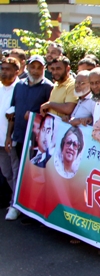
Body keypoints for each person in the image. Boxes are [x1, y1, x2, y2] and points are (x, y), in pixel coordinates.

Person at [0, 57, 20, 220]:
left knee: (16, 172)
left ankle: (16, 204)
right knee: (6, 173)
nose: (4, 71)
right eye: (3, 68)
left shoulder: (19, 88)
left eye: (8, 69)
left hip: (11, 139)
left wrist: (9, 136)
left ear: (17, 71)